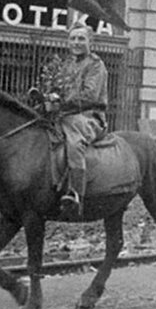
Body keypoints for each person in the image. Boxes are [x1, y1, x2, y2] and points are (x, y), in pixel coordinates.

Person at [48, 24, 108, 217]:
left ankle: (76, 195)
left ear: (91, 42)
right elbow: (57, 87)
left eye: (81, 39)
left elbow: (90, 96)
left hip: (89, 116)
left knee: (74, 142)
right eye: (73, 39)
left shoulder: (96, 65)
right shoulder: (66, 65)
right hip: (65, 115)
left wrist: (61, 103)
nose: (76, 43)